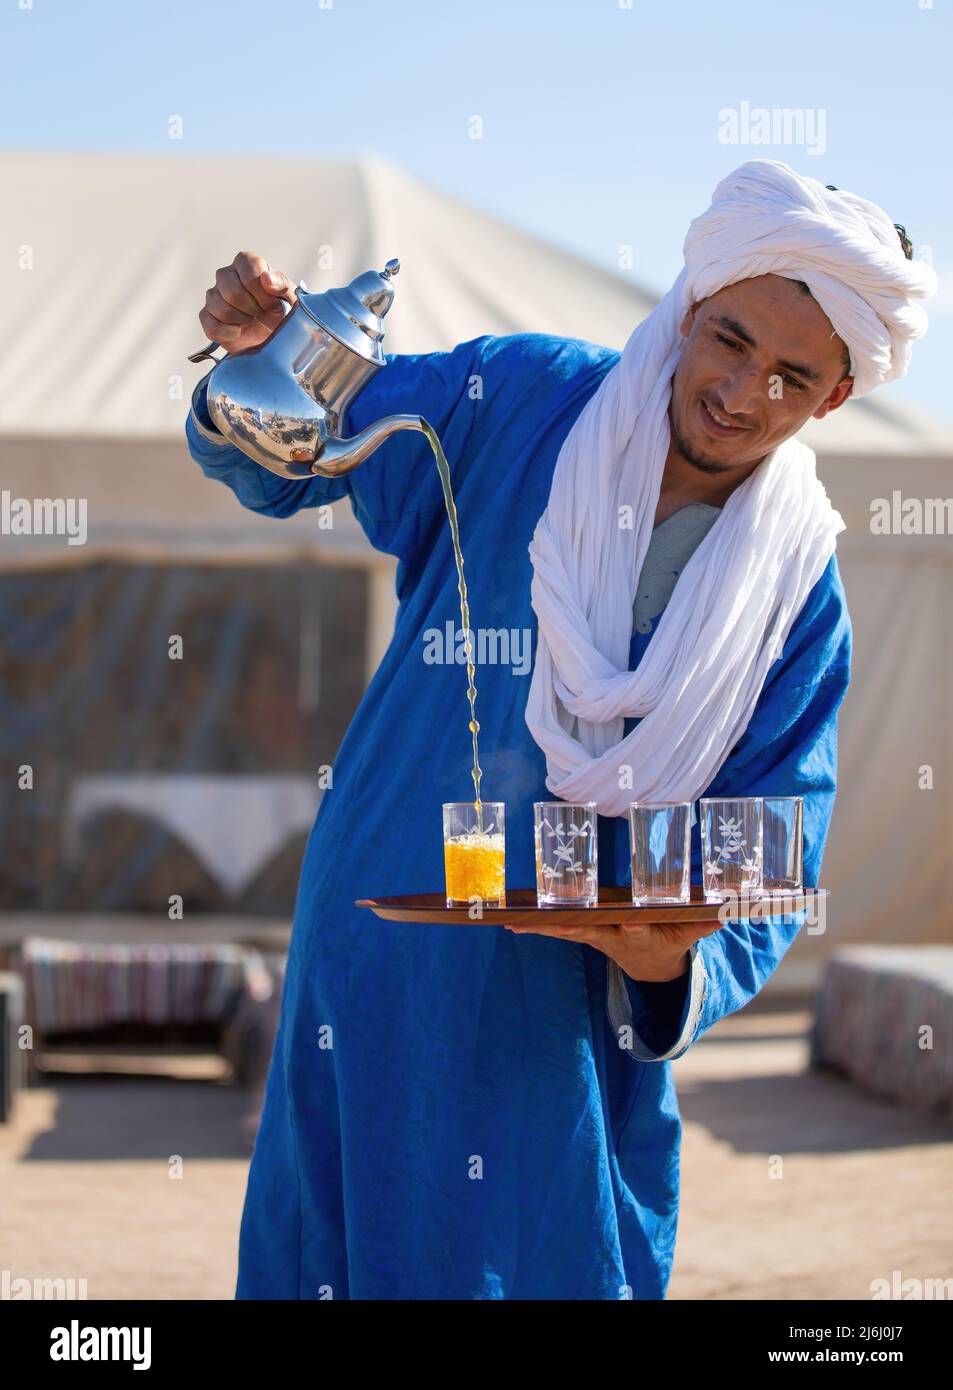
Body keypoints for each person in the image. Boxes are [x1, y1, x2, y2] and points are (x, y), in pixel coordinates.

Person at [185, 160, 934, 1300]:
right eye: (727, 341)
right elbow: (298, 457)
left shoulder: (794, 594)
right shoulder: (520, 403)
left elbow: (774, 832)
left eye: (790, 376)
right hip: (390, 941)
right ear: (688, 307)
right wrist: (256, 362)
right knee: (341, 1243)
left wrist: (674, 959)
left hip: (576, 1013)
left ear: (834, 397)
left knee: (537, 1256)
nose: (740, 393)